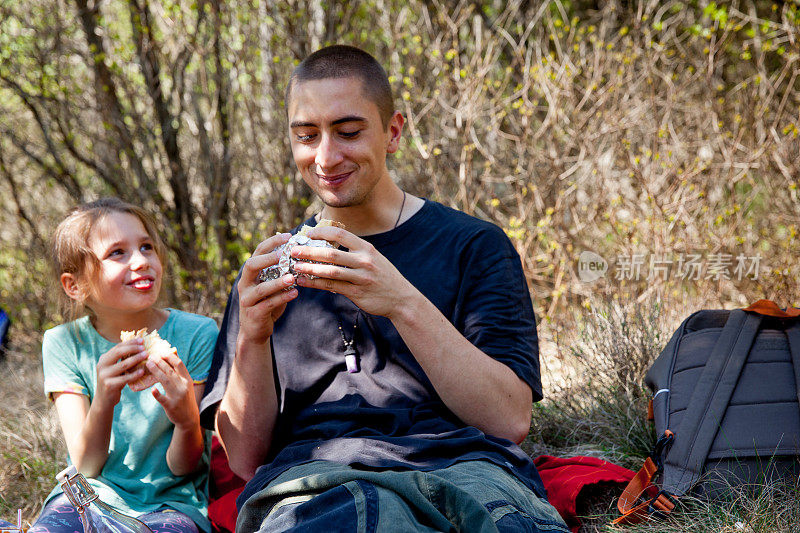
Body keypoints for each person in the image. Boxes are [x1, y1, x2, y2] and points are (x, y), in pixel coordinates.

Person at [200, 45, 569, 532]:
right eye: (307, 136)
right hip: (316, 481)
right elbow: (245, 460)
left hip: (467, 470)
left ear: (393, 131)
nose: (327, 157)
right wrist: (252, 337)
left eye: (349, 132)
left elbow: (508, 421)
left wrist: (401, 301)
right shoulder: (270, 268)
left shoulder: (475, 246)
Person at [36, 198, 217, 533]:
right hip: (87, 496)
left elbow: (185, 468)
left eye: (146, 246)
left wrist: (187, 419)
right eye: (117, 252)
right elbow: (86, 465)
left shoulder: (197, 334)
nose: (141, 261)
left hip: (170, 502)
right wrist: (104, 398)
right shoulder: (63, 343)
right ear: (74, 286)